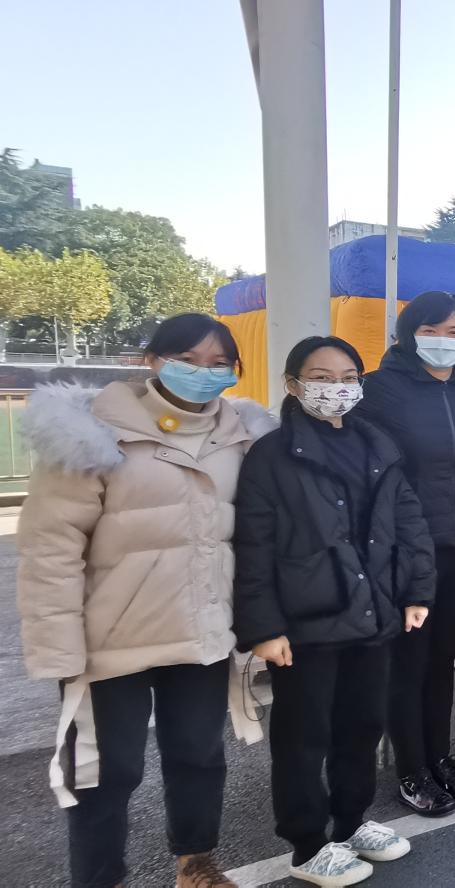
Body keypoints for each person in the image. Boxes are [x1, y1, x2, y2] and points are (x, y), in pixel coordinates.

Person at [15, 313, 271, 888]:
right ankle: (100, 878)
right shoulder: (92, 433)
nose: (204, 372)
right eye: (188, 360)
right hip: (110, 642)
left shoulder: (244, 437)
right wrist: (58, 648)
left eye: (219, 363)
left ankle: (196, 865)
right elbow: (51, 548)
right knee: (106, 773)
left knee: (199, 756)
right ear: (151, 361)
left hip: (202, 632)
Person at [232, 337, 432, 886]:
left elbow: (410, 524)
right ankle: (307, 844)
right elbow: (253, 546)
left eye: (347, 377)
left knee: (362, 724)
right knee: (303, 736)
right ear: (293, 384)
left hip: (373, 613)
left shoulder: (378, 446)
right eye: (321, 377)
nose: (336, 388)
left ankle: (351, 821)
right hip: (307, 621)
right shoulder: (272, 456)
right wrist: (263, 627)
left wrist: (417, 592)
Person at [358, 291, 455, 816]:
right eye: (430, 330)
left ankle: (440, 756)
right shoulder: (379, 390)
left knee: (443, 658)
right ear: (408, 335)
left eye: (454, 332)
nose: (442, 341)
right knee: (408, 663)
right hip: (407, 548)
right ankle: (411, 770)